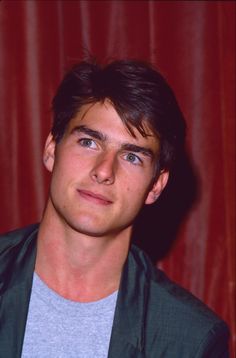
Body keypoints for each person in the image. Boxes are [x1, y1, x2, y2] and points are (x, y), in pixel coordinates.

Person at [0, 60, 229, 357]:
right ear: (51, 150)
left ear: (156, 186)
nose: (104, 171)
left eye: (132, 157)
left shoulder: (190, 341)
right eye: (88, 142)